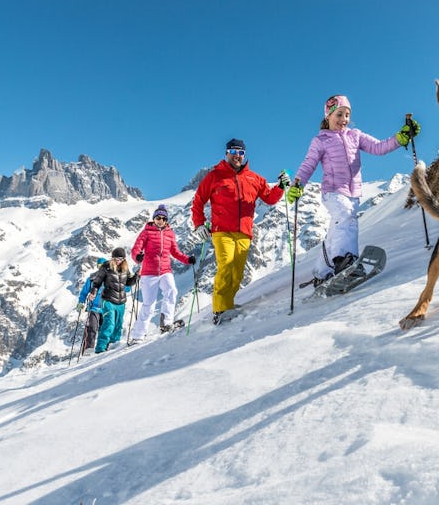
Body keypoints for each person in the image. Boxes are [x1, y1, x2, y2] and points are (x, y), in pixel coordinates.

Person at [286, 95, 420, 286]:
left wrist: (400, 138)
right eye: (339, 114)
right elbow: (309, 164)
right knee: (346, 216)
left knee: (337, 228)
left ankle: (322, 271)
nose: (344, 119)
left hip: (353, 193)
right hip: (332, 190)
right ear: (328, 116)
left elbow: (378, 147)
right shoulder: (321, 140)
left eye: (347, 115)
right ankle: (345, 261)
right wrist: (298, 183)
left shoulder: (355, 135)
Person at [191, 138, 289, 324]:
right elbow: (198, 200)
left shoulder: (254, 178)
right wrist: (199, 224)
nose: (237, 156)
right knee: (226, 265)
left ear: (244, 155)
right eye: (233, 152)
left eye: (240, 153)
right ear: (227, 153)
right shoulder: (215, 176)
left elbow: (269, 198)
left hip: (244, 232)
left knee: (237, 272)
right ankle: (220, 310)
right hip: (222, 231)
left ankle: (228, 304)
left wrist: (281, 187)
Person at [129, 204, 196, 342]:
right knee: (149, 304)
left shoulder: (170, 234)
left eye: (163, 218)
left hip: (165, 271)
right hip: (149, 273)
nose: (160, 220)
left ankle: (166, 323)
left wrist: (188, 259)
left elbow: (175, 252)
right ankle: (138, 335)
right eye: (158, 218)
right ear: (154, 218)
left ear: (166, 220)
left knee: (172, 291)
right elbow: (136, 248)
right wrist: (137, 257)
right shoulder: (146, 232)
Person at [87, 248, 139, 353]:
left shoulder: (125, 268)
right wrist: (93, 291)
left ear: (124, 259)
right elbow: (97, 282)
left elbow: (128, 283)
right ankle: (100, 348)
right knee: (109, 323)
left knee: (118, 325)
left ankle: (113, 346)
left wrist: (137, 275)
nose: (118, 260)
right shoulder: (106, 267)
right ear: (112, 257)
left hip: (121, 302)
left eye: (121, 258)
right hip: (108, 300)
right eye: (116, 258)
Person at [76, 256, 108, 353]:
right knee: (92, 328)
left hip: (106, 308)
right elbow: (84, 293)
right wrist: (80, 303)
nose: (101, 267)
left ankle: (104, 349)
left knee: (105, 330)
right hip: (93, 308)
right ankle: (88, 350)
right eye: (99, 265)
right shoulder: (91, 279)